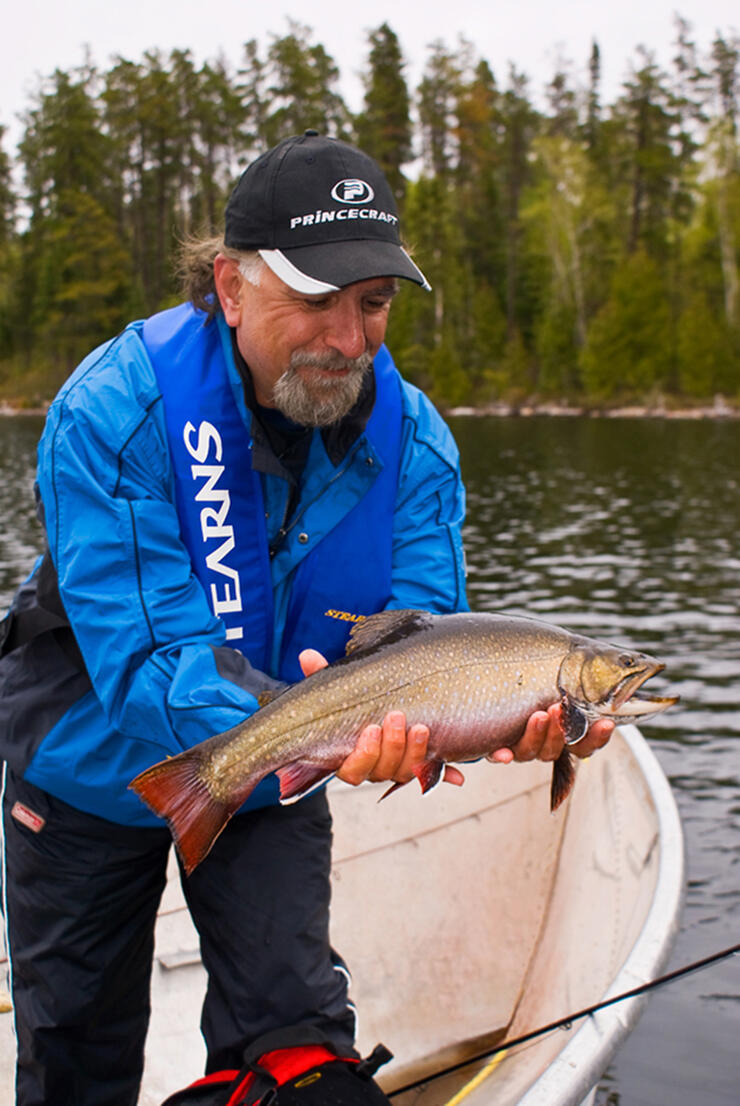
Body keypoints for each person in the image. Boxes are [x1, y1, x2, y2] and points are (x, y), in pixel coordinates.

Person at [0, 130, 613, 1106]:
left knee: (303, 1055)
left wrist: (489, 724)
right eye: (316, 301)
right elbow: (151, 662)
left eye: (371, 304)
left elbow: (431, 651)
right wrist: (317, 725)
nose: (348, 337)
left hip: (279, 767)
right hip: (86, 759)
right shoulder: (114, 410)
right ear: (230, 287)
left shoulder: (416, 445)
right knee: (76, 1047)